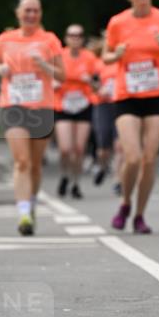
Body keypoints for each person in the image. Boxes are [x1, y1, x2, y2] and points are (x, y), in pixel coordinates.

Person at [104, 0, 159, 233]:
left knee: (149, 158)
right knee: (132, 157)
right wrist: (118, 53)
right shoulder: (118, 22)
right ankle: (125, 202)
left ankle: (140, 214)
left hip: (156, 95)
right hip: (127, 96)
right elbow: (106, 56)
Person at [0, 0, 64, 235]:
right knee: (22, 161)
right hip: (13, 105)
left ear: (40, 14)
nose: (31, 15)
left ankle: (30, 204)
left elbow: (62, 75)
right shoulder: (5, 39)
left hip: (41, 106)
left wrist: (44, 65)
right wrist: (0, 68)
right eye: (27, 10)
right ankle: (23, 214)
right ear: (18, 13)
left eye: (35, 11)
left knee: (36, 165)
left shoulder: (49, 39)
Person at [54, 24, 99, 199]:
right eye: (71, 35)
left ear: (82, 39)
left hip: (83, 105)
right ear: (66, 38)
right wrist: (54, 84)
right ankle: (65, 175)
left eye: (79, 35)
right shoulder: (59, 57)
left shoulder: (90, 58)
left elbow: (98, 84)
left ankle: (75, 183)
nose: (75, 38)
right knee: (65, 148)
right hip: (63, 105)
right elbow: (49, 78)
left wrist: (90, 82)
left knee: (79, 149)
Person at [89, 35, 119, 186]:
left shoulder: (123, 60)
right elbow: (92, 82)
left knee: (120, 145)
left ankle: (118, 180)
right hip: (103, 105)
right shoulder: (98, 63)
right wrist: (100, 89)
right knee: (103, 147)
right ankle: (102, 166)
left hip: (120, 104)